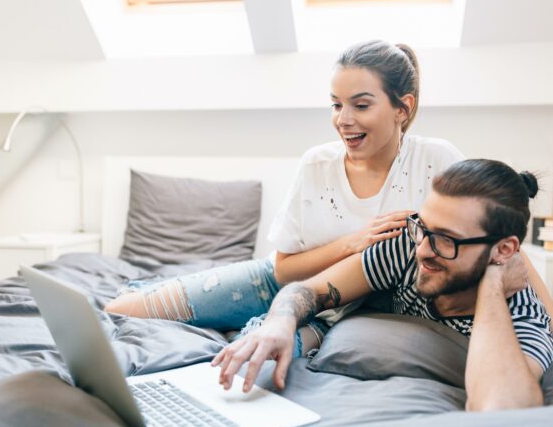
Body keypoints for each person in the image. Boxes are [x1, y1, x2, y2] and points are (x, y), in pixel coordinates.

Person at [104, 40, 551, 356]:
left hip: (354, 310)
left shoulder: (437, 159)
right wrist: (353, 243)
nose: (343, 119)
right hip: (288, 282)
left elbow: (495, 231)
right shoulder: (318, 164)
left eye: (360, 104)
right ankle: (150, 289)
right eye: (336, 104)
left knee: (255, 349)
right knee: (124, 310)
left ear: (402, 108)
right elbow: (282, 268)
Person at [213, 159, 553, 412]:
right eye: (423, 227)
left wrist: (493, 281)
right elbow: (310, 290)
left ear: (504, 249)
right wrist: (279, 323)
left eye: (446, 241)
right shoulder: (408, 245)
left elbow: (500, 411)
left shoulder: (522, 315)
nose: (422, 250)